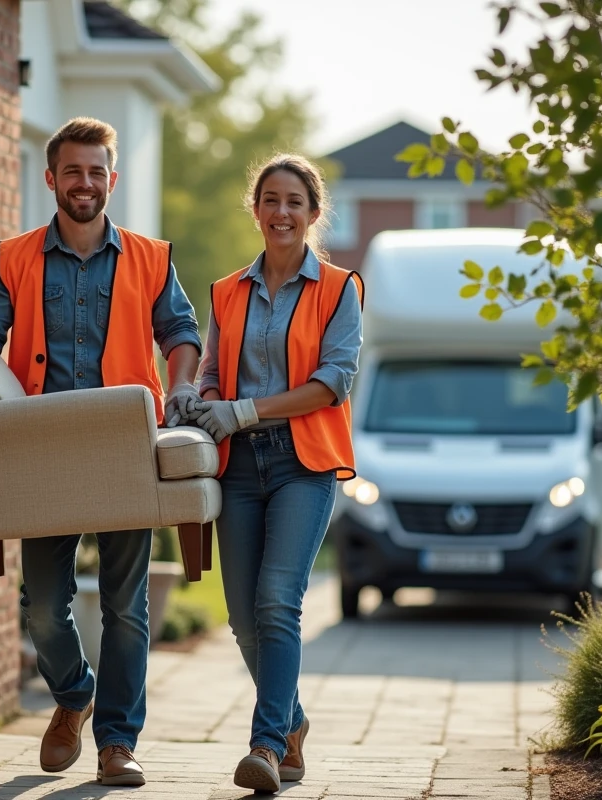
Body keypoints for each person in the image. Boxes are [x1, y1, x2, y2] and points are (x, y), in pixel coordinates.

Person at [0, 117, 202, 786]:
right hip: (45, 446)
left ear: (112, 180)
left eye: (97, 171)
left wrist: (181, 389)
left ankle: (117, 742)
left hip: (127, 444)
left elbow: (180, 332)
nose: (86, 182)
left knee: (128, 604)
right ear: (51, 179)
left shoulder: (152, 257)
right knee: (43, 602)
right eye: (74, 171)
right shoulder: (13, 256)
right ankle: (73, 694)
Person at [185, 153, 363, 794]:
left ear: (314, 215)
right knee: (241, 618)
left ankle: (264, 746)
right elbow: (211, 368)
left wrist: (244, 410)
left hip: (302, 463)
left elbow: (331, 384)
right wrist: (197, 398)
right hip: (237, 466)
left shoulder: (340, 289)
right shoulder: (227, 291)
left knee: (277, 604)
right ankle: (292, 723)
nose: (281, 212)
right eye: (271, 200)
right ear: (255, 209)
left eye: (294, 202)